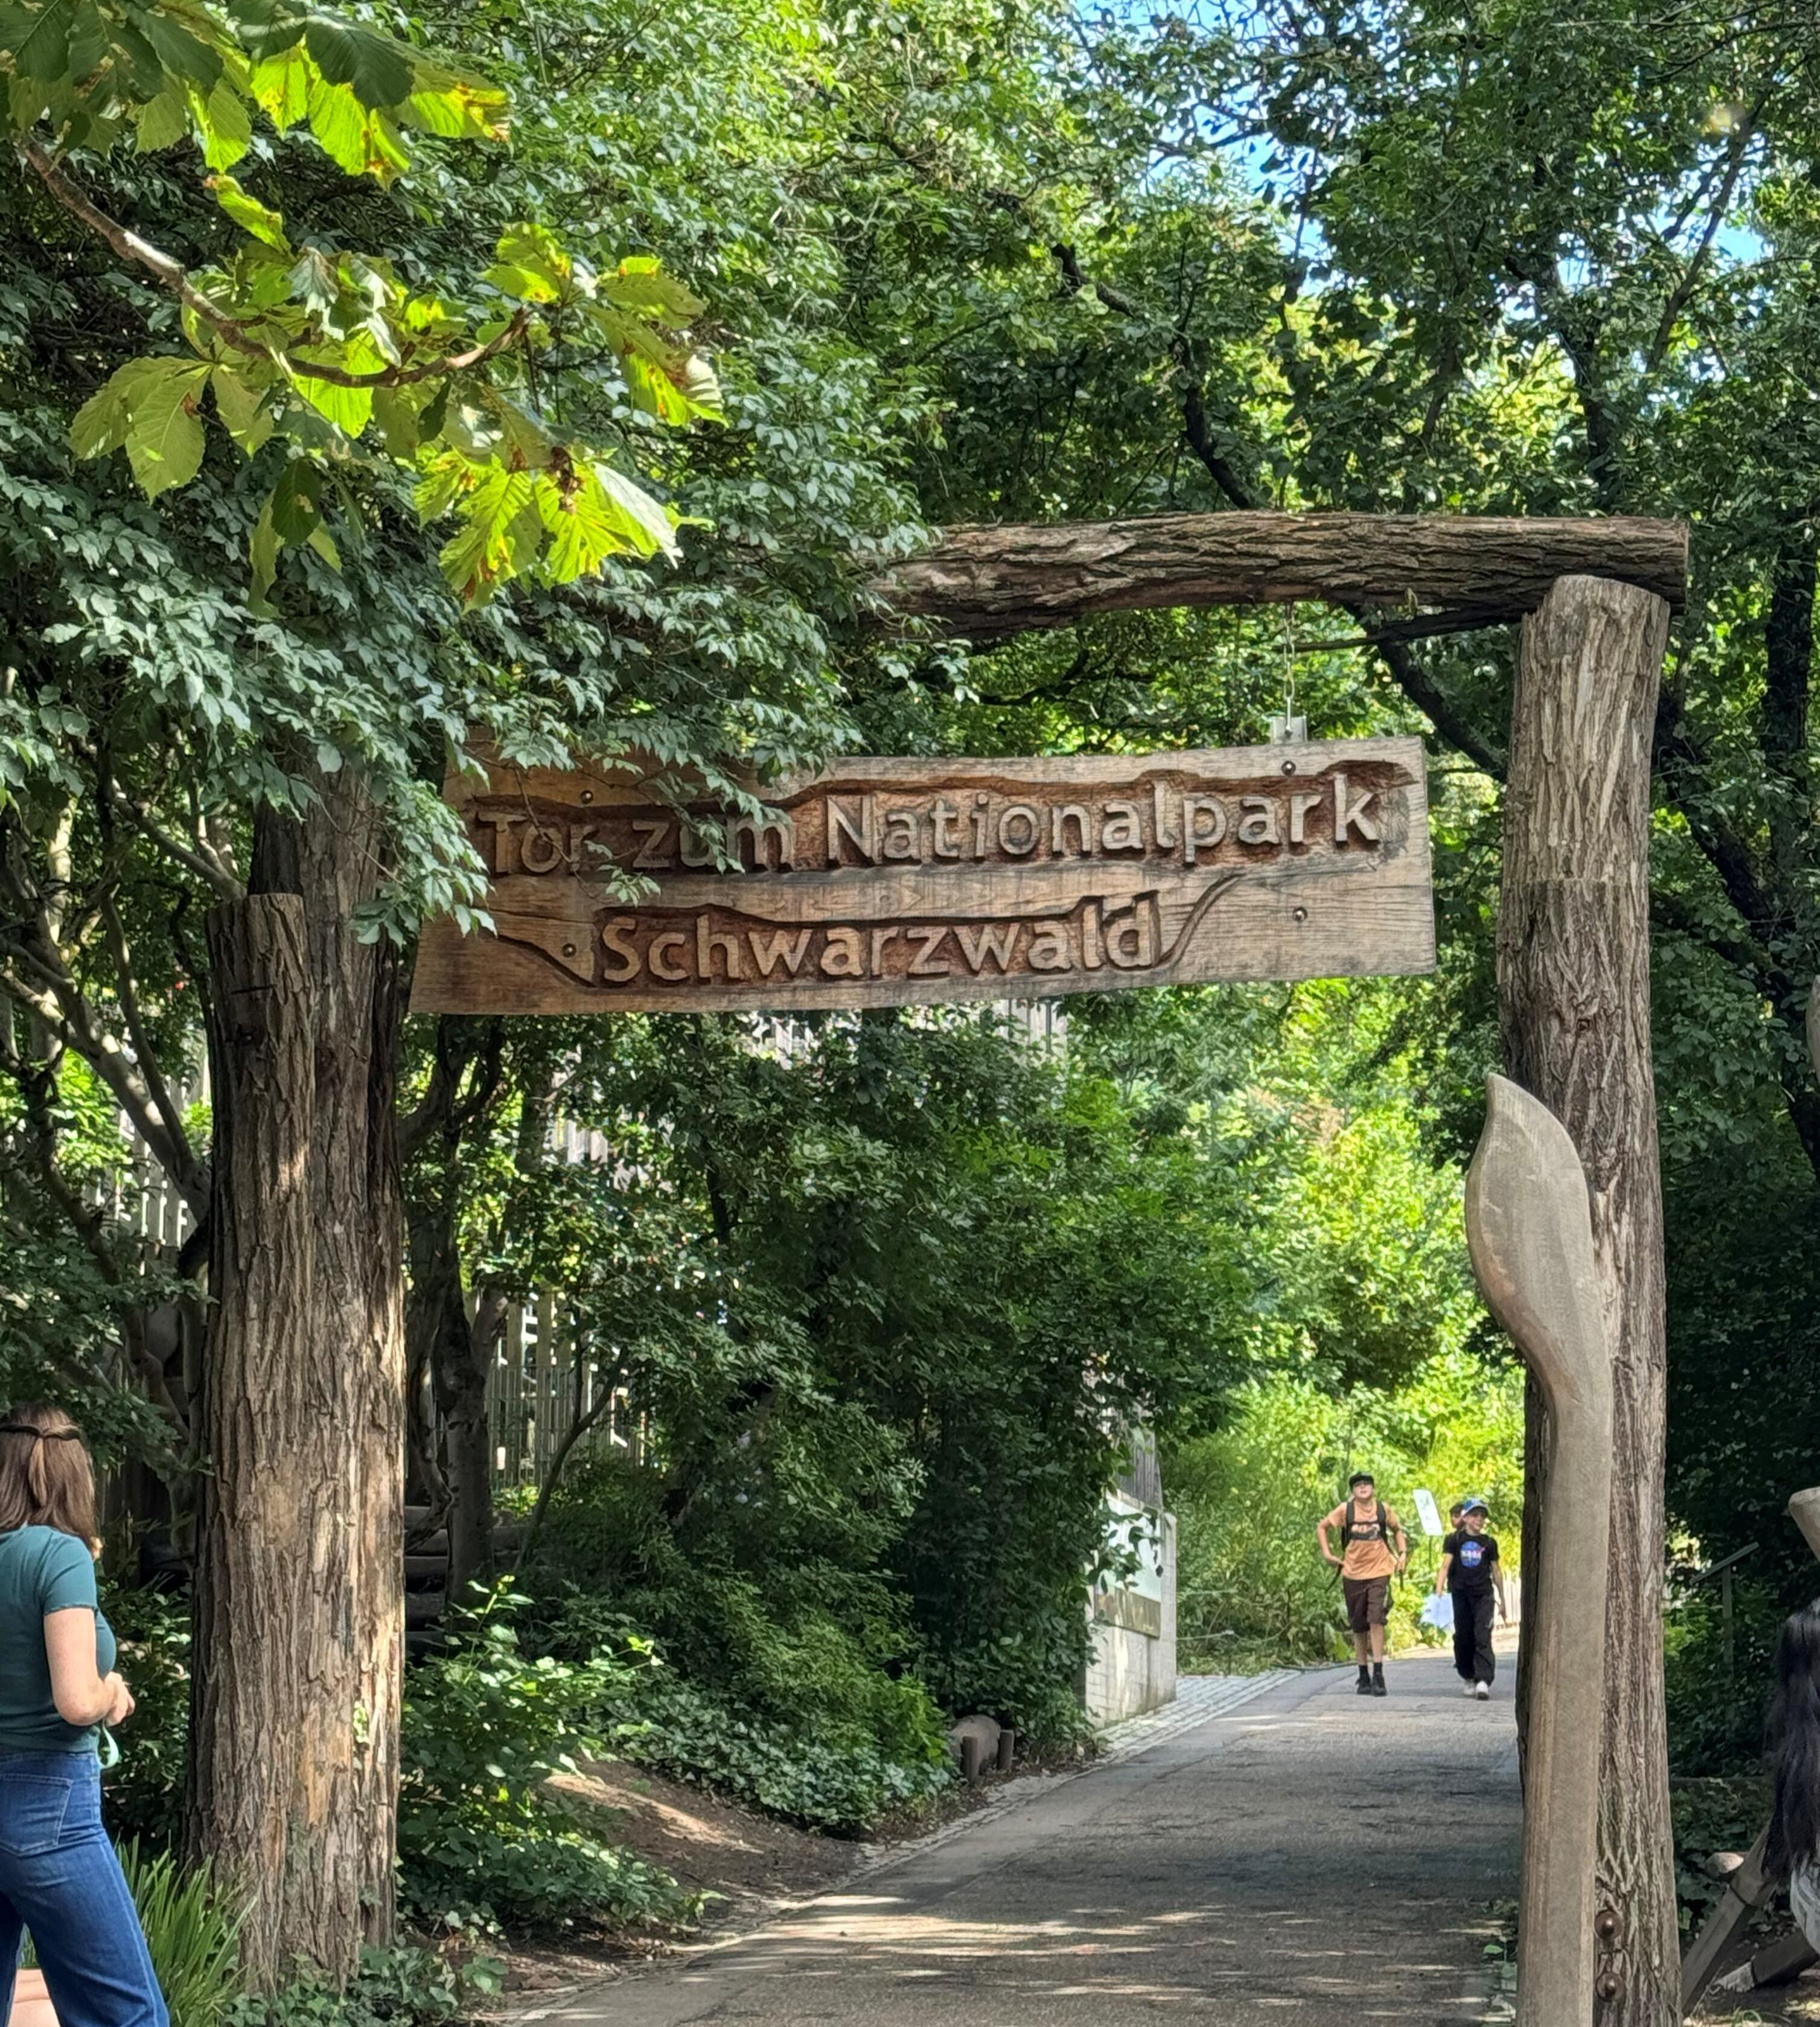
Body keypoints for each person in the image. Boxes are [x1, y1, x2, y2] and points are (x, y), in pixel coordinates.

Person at [0, 1404, 165, 2027]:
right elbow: (76, 1699)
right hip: (50, 1809)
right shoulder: (60, 1555)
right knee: (126, 2011)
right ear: (76, 1476)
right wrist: (112, 1690)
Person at [1317, 1471, 1407, 1697]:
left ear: (1373, 1488)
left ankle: (1378, 1673)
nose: (1363, 1487)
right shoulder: (1345, 1511)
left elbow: (1397, 1530)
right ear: (1353, 1491)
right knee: (1359, 1625)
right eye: (1358, 1485)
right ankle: (1363, 1675)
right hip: (1353, 1573)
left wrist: (1403, 1554)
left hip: (1380, 1571)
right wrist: (1327, 1554)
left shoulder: (1383, 1510)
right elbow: (1322, 1527)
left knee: (1376, 1618)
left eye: (1367, 1484)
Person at [1436, 1495, 1507, 1699]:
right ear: (1465, 1518)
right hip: (1461, 1593)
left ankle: (1483, 1680)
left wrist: (1502, 1600)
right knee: (1464, 1636)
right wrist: (1439, 1590)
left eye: (1482, 1516)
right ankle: (1468, 1675)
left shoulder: (1489, 1543)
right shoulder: (1455, 1540)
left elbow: (1497, 1571)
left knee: (1482, 1635)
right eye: (1475, 1515)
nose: (1479, 1520)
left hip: (1483, 1594)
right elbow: (1445, 1566)